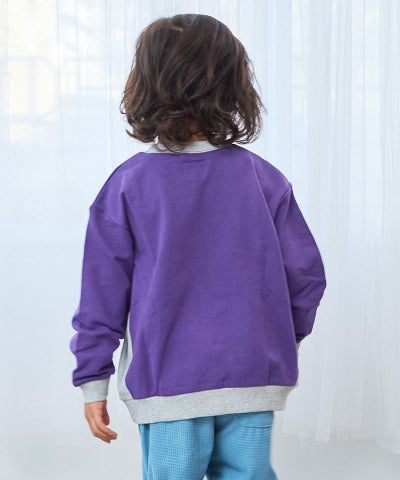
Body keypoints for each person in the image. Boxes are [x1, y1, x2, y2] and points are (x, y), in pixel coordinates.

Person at [69, 13, 327, 480]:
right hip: (252, 372)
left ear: (145, 85)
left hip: (167, 380)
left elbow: (101, 295)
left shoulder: (128, 185)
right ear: (233, 85)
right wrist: (276, 339)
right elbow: (306, 277)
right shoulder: (262, 178)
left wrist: (93, 379)